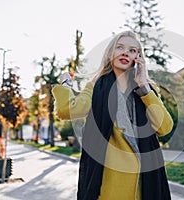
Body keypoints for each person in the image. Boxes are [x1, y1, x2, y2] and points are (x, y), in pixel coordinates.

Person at [52, 31, 173, 200]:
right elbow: (67, 110)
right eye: (120, 47)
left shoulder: (146, 90)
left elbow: (164, 127)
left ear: (138, 57)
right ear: (110, 53)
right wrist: (65, 85)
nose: (125, 52)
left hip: (145, 185)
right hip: (110, 185)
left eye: (132, 50)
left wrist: (143, 86)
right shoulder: (96, 86)